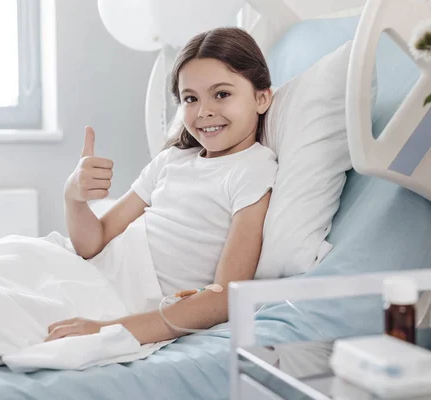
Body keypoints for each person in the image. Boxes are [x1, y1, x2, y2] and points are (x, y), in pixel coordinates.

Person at [45, 27, 277, 344]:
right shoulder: (172, 160)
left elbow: (224, 298)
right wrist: (73, 197)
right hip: (94, 271)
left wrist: (107, 329)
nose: (204, 111)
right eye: (190, 98)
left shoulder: (252, 170)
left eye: (221, 94)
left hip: (125, 297)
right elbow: (93, 243)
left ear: (262, 97)